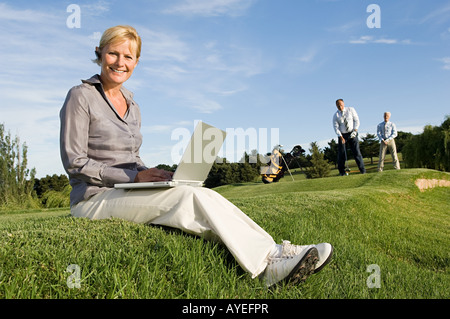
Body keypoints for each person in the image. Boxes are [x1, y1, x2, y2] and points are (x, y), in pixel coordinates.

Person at [59, 25, 333, 288]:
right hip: (93, 200)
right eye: (113, 54)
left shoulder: (133, 104)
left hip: (124, 188)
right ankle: (267, 268)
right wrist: (134, 176)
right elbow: (75, 162)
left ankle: (277, 250)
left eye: (128, 56)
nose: (120, 62)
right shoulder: (80, 96)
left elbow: (131, 158)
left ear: (137, 62)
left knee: (203, 193)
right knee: (188, 199)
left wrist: (152, 174)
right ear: (99, 53)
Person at [332, 99, 366, 175]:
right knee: (341, 154)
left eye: (340, 104)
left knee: (356, 152)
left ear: (343, 104)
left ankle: (362, 170)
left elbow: (356, 120)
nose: (339, 106)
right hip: (342, 135)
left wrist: (355, 130)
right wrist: (341, 137)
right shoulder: (336, 115)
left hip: (352, 133)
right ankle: (342, 172)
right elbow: (336, 127)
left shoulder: (351, 110)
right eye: (338, 105)